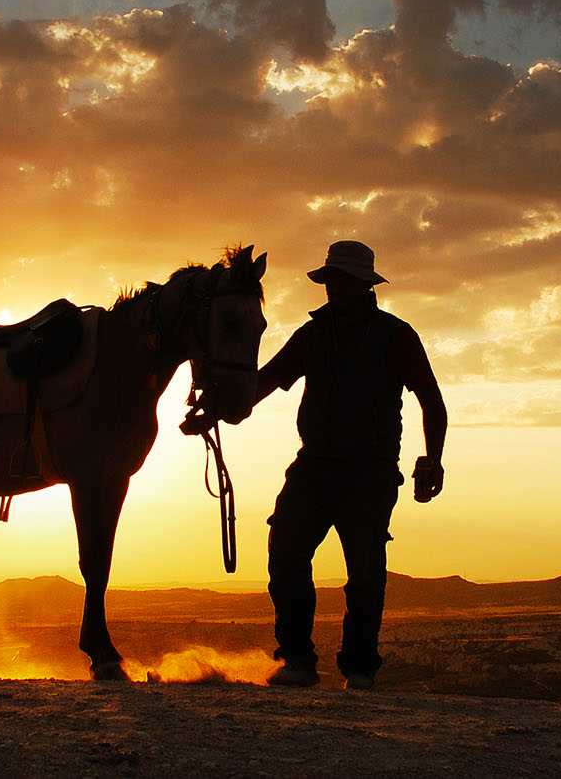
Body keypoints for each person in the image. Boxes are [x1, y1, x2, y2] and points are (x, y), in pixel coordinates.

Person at [184, 239, 446, 691]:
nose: (335, 288)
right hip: (314, 467)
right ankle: (299, 662)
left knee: (364, 572)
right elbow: (266, 381)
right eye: (331, 280)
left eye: (343, 281)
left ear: (364, 285)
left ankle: (359, 667)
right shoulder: (313, 334)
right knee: (285, 552)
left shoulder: (395, 336)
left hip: (369, 471)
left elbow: (431, 401)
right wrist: (216, 410)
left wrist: (433, 460)